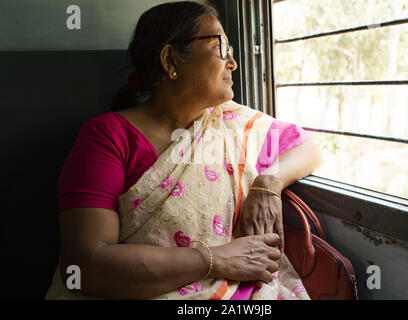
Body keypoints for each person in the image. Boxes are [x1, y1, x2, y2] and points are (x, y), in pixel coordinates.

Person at [45, 1, 322, 300]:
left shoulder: (235, 123)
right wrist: (218, 259)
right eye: (221, 47)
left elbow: (308, 148)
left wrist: (268, 183)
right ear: (170, 59)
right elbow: (85, 266)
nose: (232, 63)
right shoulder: (108, 136)